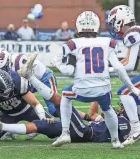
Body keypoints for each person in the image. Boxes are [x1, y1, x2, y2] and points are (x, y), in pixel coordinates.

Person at [51, 11, 140, 148]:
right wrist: (131, 87)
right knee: (108, 108)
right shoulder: (107, 42)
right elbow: (119, 68)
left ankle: (65, 133)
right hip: (103, 91)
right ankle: (115, 141)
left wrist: (67, 69)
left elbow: (56, 59)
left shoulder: (73, 43)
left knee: (65, 95)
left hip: (81, 90)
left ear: (79, 26)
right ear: (97, 26)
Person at [0, 102, 131, 144]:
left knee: (61, 102)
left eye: (122, 108)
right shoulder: (118, 121)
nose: (119, 109)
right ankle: (1, 127)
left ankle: (33, 79)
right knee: (41, 125)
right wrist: (100, 96)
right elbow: (93, 115)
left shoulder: (124, 123)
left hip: (86, 133)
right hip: (83, 129)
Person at [0, 69, 48, 144]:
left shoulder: (17, 80)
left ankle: (36, 128)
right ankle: (9, 131)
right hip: (7, 115)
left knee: (51, 127)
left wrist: (42, 120)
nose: (7, 93)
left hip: (28, 110)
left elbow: (35, 103)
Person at [108, 5, 140, 146]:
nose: (113, 25)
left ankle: (136, 128)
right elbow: (126, 61)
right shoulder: (135, 31)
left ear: (120, 20)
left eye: (114, 21)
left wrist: (105, 69)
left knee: (124, 92)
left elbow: (130, 65)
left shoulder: (132, 34)